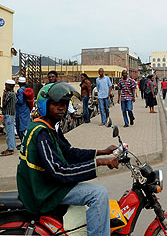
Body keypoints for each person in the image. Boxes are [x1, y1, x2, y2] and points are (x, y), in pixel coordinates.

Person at [17, 82, 118, 236]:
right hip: (44, 191)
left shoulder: (49, 128)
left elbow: (69, 153)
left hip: (46, 184)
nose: (61, 108)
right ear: (44, 105)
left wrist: (101, 152)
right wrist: (99, 163)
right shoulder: (42, 133)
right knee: (98, 194)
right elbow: (59, 171)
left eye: (64, 104)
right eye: (55, 104)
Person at [1, 79, 17, 156]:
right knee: (11, 131)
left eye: (6, 85)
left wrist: (3, 95)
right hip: (12, 114)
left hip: (9, 115)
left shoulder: (9, 94)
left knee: (9, 132)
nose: (5, 87)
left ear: (10, 86)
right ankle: (12, 147)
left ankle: (10, 149)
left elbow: (4, 104)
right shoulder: (13, 93)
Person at [16, 77, 32, 141]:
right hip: (26, 110)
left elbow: (20, 101)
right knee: (26, 126)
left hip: (21, 111)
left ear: (19, 83)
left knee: (21, 128)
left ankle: (24, 142)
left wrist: (15, 100)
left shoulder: (20, 91)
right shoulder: (26, 90)